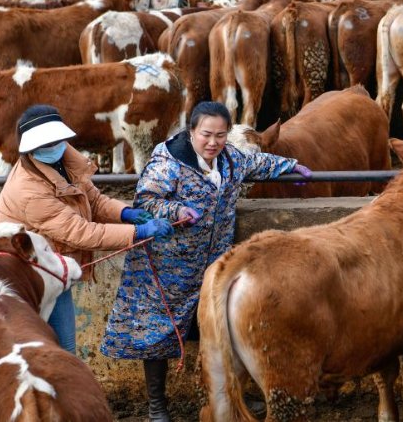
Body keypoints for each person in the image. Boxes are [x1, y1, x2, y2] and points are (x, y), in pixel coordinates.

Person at [100, 101, 312, 422]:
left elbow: (257, 163)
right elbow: (146, 200)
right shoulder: (167, 163)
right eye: (206, 135)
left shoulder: (229, 159)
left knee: (219, 329)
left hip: (213, 265)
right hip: (168, 265)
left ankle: (226, 397)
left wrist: (290, 165)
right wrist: (176, 211)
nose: (213, 142)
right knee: (157, 331)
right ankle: (157, 406)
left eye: (221, 135)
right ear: (192, 132)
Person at [0, 104, 174, 354]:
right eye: (44, 145)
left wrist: (125, 213)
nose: (53, 148)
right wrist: (138, 232)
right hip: (24, 276)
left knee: (64, 348)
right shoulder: (28, 191)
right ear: (30, 149)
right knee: (32, 350)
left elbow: (94, 200)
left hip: (51, 268)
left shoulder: (64, 159)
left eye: (56, 141)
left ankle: (62, 390)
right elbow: (81, 232)